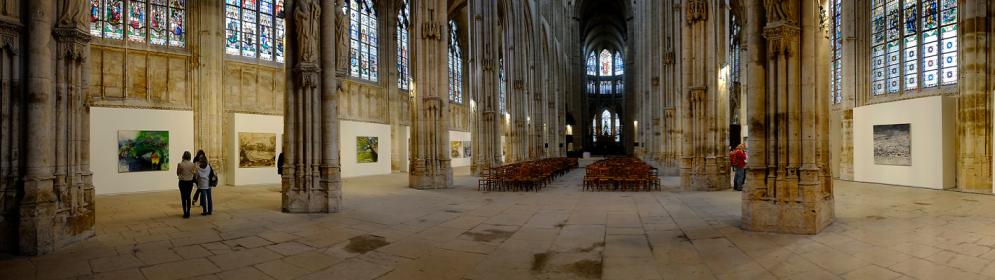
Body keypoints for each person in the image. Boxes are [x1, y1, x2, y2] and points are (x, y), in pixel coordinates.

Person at [176, 151, 197, 218]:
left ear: (183, 156)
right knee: (188, 197)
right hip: (190, 182)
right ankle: (188, 212)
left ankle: (185, 212)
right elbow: (194, 173)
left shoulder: (180, 164)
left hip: (182, 182)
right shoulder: (193, 164)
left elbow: (177, 173)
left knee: (183, 197)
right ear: (190, 157)